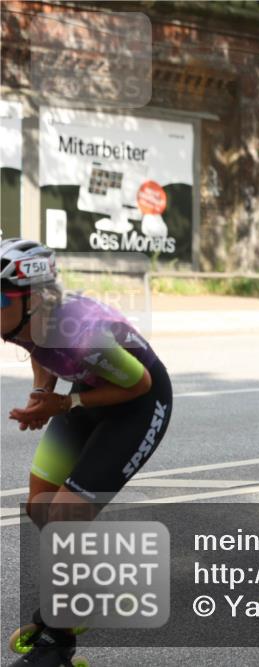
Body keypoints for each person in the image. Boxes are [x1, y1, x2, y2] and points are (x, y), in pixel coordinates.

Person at [2, 238, 172, 666]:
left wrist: (67, 403)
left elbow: (138, 384)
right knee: (41, 505)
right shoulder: (27, 318)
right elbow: (36, 348)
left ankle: (58, 641)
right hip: (90, 392)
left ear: (33, 297)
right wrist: (44, 393)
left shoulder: (75, 330)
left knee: (66, 513)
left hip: (138, 402)